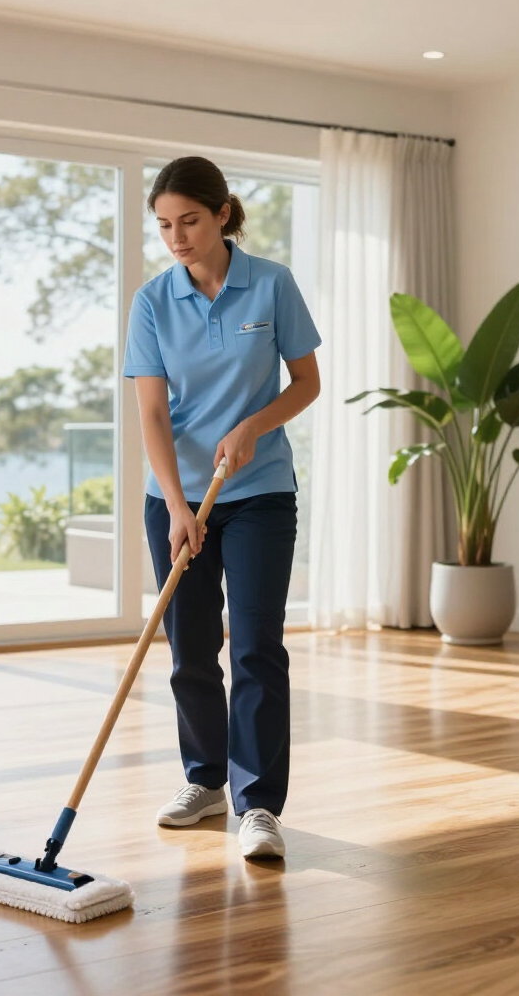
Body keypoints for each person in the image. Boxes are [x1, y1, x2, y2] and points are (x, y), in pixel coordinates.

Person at [123, 156, 322, 859]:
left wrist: (253, 426)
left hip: (261, 492)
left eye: (190, 222)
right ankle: (205, 781)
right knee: (191, 648)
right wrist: (178, 507)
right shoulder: (152, 301)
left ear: (222, 214)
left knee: (258, 644)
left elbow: (307, 384)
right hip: (178, 500)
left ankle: (259, 803)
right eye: (164, 226)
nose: (176, 237)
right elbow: (151, 413)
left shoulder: (271, 284)